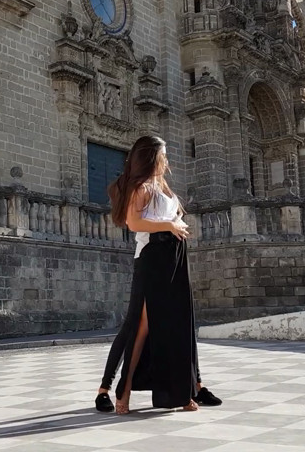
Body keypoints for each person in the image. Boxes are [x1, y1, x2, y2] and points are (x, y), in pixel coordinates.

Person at [93, 135, 222, 415]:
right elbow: (134, 222)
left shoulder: (160, 184)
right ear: (153, 157)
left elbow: (163, 216)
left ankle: (187, 391)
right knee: (141, 327)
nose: (167, 160)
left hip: (173, 256)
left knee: (178, 324)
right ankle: (120, 392)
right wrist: (169, 225)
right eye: (163, 155)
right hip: (154, 257)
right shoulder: (142, 187)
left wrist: (176, 224)